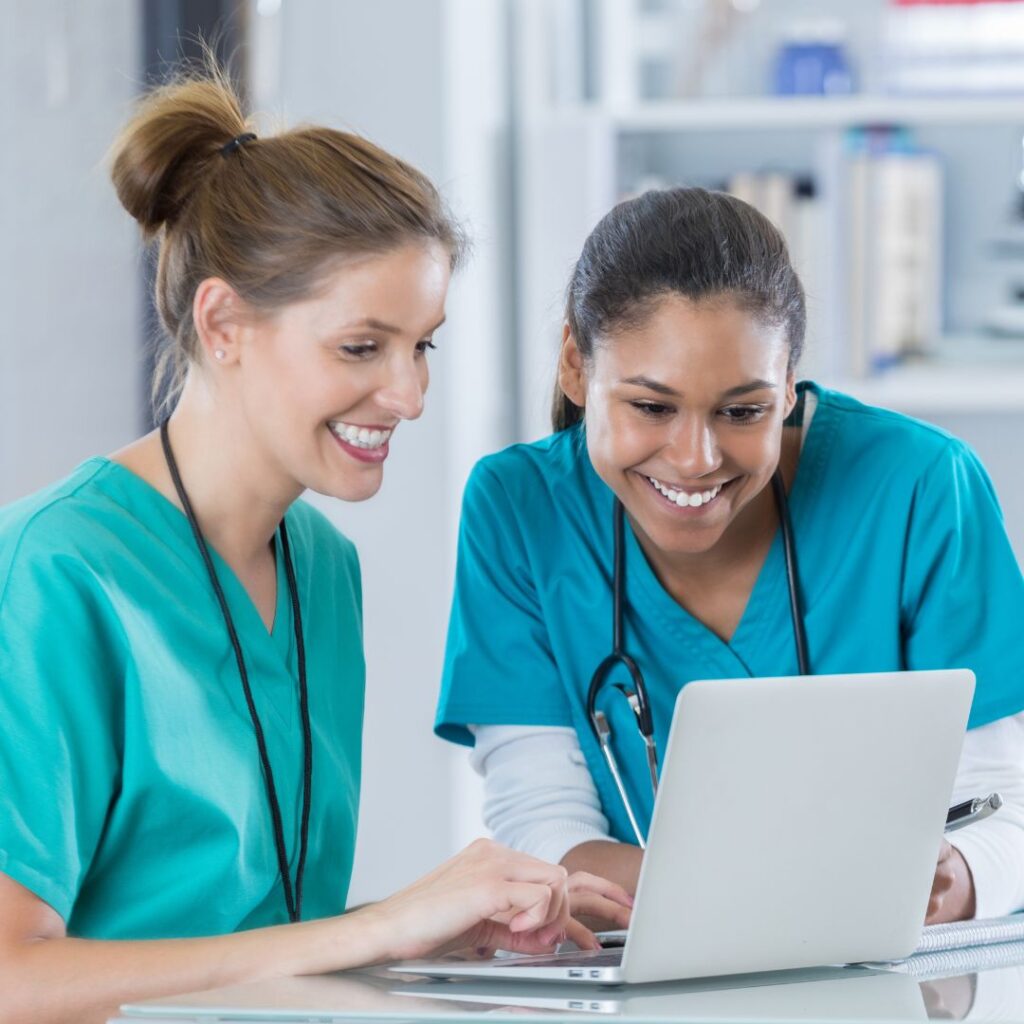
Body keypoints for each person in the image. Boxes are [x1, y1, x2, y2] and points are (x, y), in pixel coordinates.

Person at [0, 67, 631, 1024]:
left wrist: (438, 925)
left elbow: (254, 938)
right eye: (360, 347)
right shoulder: (52, 574)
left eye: (422, 346)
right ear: (224, 324)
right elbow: (13, 976)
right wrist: (381, 926)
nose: (410, 395)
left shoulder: (323, 570)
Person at [436, 186, 1024, 929]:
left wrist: (961, 876)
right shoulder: (519, 508)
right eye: (651, 407)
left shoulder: (918, 487)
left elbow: (1004, 808)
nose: (695, 458)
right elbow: (547, 834)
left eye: (742, 411)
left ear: (786, 383)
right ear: (575, 366)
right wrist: (791, 899)